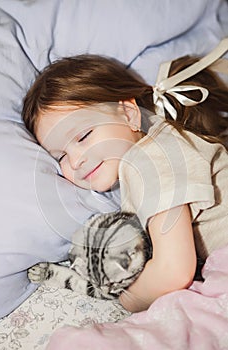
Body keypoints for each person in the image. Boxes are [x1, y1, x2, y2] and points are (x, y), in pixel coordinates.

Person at [22, 38, 228, 312]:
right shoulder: (163, 141)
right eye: (60, 156)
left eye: (83, 136)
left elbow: (174, 271)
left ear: (129, 113)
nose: (76, 160)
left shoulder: (146, 159)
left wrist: (128, 301)